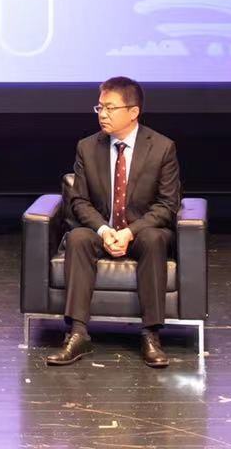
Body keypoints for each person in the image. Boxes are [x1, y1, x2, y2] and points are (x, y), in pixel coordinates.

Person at [46, 76, 183, 368]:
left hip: (142, 231)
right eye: (100, 107)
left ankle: (150, 334)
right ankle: (78, 333)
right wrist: (105, 229)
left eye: (110, 108)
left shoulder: (162, 147)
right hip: (103, 230)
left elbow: (167, 205)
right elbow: (79, 201)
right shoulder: (87, 147)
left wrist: (130, 232)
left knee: (154, 238)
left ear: (133, 112)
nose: (103, 114)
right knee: (78, 238)